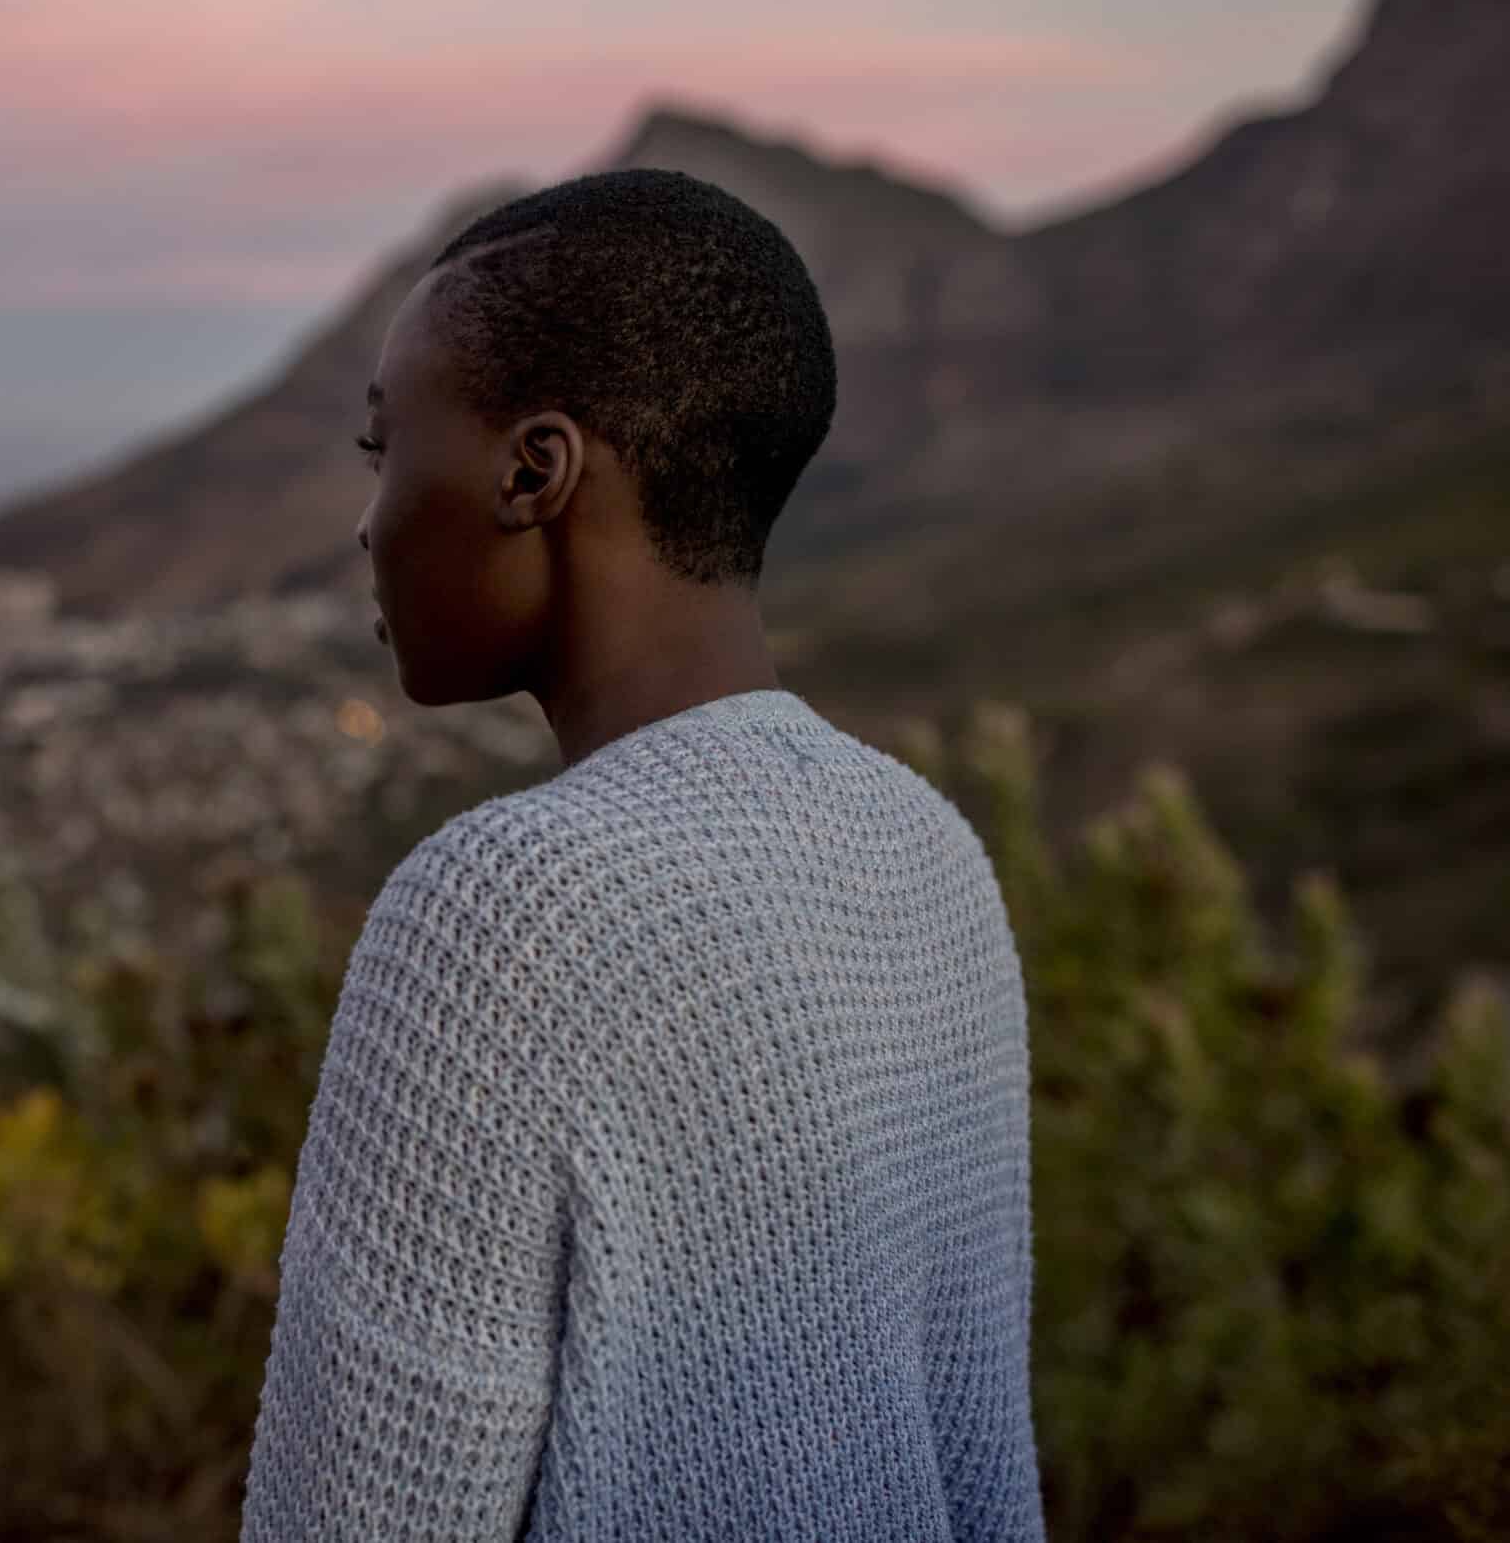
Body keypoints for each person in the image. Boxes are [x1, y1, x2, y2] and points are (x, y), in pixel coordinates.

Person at [239, 168, 1044, 1541]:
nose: (368, 526)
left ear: (533, 471)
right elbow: (982, 1462)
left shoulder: (503, 912)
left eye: (387, 454)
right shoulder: (930, 851)